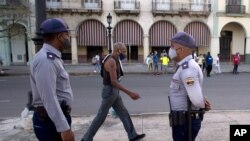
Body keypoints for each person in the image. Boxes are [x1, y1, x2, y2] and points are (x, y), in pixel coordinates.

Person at [81, 42, 146, 141]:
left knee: (123, 113)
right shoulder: (111, 61)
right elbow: (114, 82)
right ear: (118, 51)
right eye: (124, 51)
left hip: (113, 91)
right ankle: (86, 138)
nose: (125, 54)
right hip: (110, 91)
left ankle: (132, 136)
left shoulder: (114, 59)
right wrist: (130, 93)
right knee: (100, 116)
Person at [30, 18, 75, 141]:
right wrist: (64, 129)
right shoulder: (46, 60)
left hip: (55, 118)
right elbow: (49, 98)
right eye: (67, 35)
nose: (68, 38)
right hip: (50, 122)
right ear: (59, 36)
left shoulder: (53, 58)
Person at [168, 32, 211, 141]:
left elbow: (196, 100)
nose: (170, 50)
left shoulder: (188, 69)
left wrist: (202, 104)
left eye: (172, 46)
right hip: (184, 121)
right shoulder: (184, 66)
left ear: (181, 50)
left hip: (186, 122)